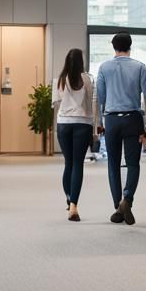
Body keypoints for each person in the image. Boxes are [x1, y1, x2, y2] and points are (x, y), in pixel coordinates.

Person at [95, 33, 146, 225]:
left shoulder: (103, 68)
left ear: (113, 47)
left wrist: (101, 120)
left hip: (112, 119)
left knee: (113, 163)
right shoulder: (140, 67)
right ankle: (127, 199)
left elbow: (101, 97)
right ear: (130, 46)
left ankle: (117, 206)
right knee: (133, 163)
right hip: (132, 119)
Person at [53, 50, 94, 221]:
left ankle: (69, 198)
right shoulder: (88, 79)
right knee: (78, 164)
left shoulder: (59, 80)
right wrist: (95, 126)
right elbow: (92, 101)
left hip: (64, 124)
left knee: (68, 163)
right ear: (81, 61)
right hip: (83, 123)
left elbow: (55, 104)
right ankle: (74, 207)